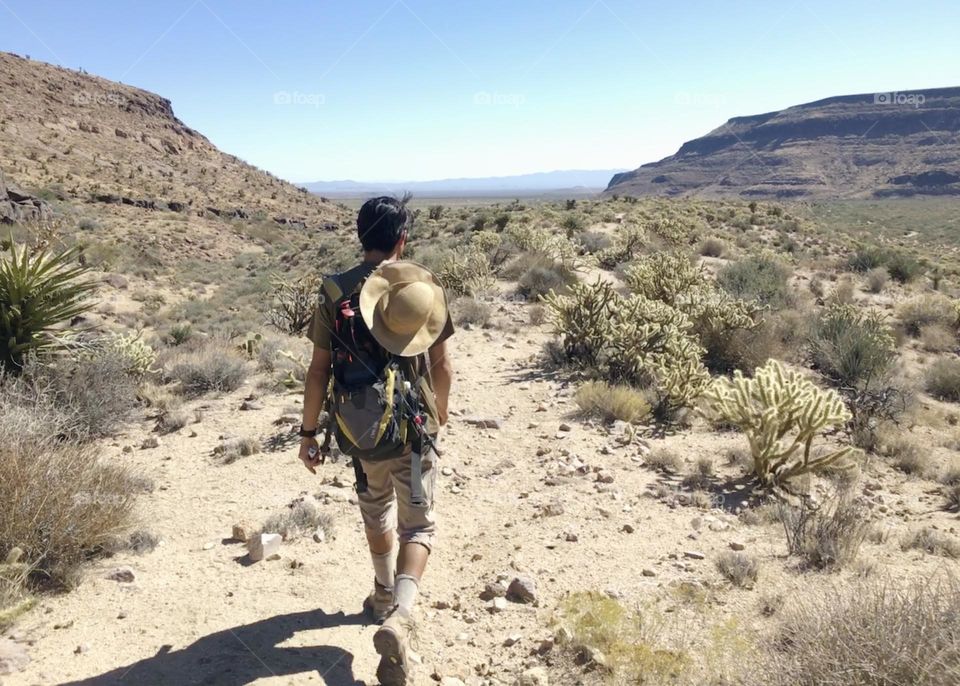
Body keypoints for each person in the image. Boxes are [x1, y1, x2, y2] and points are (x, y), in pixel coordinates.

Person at [298, 195, 454, 686]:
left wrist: (307, 433)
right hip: (413, 428)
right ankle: (401, 615)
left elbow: (318, 370)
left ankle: (382, 593)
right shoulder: (422, 287)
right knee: (419, 527)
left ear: (360, 236)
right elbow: (442, 365)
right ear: (402, 239)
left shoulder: (333, 290)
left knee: (374, 508)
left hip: (359, 431)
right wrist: (440, 413)